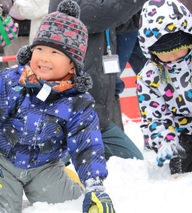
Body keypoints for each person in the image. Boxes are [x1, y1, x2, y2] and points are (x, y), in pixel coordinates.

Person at [0, 0, 115, 213]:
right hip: (2, 160)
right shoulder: (9, 82)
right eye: (40, 48)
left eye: (55, 52)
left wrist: (95, 186)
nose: (43, 57)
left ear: (73, 65)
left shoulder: (78, 102)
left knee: (71, 204)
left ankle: (70, 181)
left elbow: (87, 146)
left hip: (45, 166)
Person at [49, 0, 147, 161]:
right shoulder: (68, 4)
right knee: (52, 170)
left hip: (100, 118)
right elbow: (104, 14)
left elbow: (121, 22)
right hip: (71, 121)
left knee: (134, 163)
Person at [137, 0, 192, 175]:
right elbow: (154, 115)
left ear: (190, 39)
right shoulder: (149, 77)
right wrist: (164, 141)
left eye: (178, 50)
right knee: (186, 168)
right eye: (164, 54)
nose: (173, 58)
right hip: (188, 133)